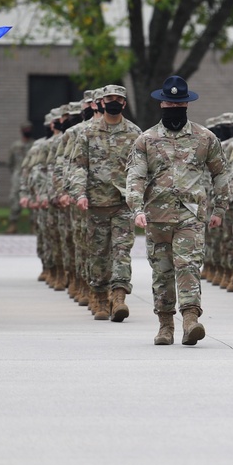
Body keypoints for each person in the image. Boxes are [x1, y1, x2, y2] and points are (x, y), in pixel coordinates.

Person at [126, 75, 231, 346]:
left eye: (179, 104)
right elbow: (135, 177)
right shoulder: (145, 140)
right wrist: (136, 207)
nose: (174, 109)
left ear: (186, 104)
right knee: (162, 272)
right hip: (157, 216)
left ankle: (190, 320)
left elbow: (220, 173)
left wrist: (220, 208)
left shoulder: (205, 138)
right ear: (162, 104)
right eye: (170, 104)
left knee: (188, 265)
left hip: (191, 215)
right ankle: (165, 326)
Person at [69, 84, 141, 322]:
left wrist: (140, 198)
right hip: (96, 203)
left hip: (123, 204)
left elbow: (141, 169)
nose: (113, 102)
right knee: (98, 253)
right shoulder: (88, 132)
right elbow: (79, 166)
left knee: (121, 251)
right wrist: (79, 194)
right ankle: (100, 296)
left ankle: (119, 296)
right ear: (101, 102)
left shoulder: (134, 133)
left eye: (118, 99)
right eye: (109, 98)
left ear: (124, 103)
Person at [6, 123, 33, 233]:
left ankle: (33, 225)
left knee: (33, 199)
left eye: (28, 129)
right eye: (25, 129)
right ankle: (13, 224)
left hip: (31, 176)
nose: (27, 131)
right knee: (15, 200)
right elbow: (10, 162)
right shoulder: (15, 146)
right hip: (18, 176)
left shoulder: (34, 145)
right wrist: (16, 173)